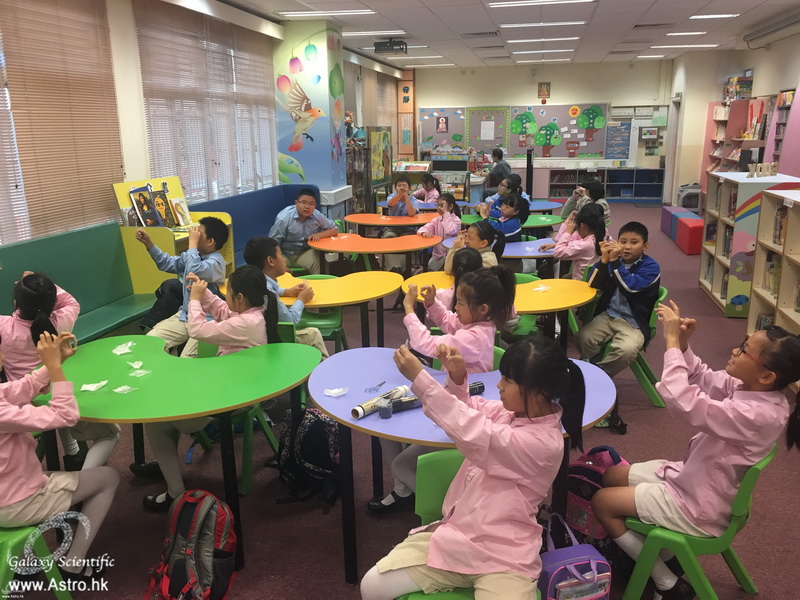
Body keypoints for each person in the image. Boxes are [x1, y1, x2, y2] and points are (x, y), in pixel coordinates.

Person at [592, 303, 800, 600]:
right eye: (741, 343)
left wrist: (671, 342)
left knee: (602, 502)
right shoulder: (754, 389)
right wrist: (684, 345)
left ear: (767, 376)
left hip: (698, 505)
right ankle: (664, 556)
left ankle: (667, 582)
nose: (735, 350)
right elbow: (702, 376)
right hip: (695, 479)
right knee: (612, 475)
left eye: (744, 350)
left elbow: (682, 400)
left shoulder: (757, 415)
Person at [360, 337, 586, 599]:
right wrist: (457, 379)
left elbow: (473, 430)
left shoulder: (544, 444)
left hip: (505, 556)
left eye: (507, 380)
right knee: (373, 586)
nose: (499, 386)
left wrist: (421, 379)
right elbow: (465, 409)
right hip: (459, 538)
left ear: (538, 393)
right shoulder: (511, 414)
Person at [368, 266, 516, 515]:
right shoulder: (476, 324)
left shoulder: (475, 337)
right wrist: (432, 303)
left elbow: (424, 343)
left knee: (397, 454)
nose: (455, 307)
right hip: (454, 397)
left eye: (460, 303)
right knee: (387, 427)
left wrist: (408, 309)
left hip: (461, 410)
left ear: (482, 309)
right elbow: (451, 322)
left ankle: (447, 512)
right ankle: (404, 491)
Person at [141, 265, 279, 511]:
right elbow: (223, 310)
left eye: (229, 292)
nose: (225, 296)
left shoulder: (248, 322)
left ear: (240, 297)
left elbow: (196, 330)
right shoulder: (252, 313)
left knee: (157, 417)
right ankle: (167, 468)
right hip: (226, 389)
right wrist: (202, 292)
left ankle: (174, 489)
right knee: (160, 412)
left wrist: (194, 300)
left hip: (230, 400)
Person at [0, 332, 119, 583]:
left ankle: (20, 561)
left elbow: (20, 388)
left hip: (8, 489)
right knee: (108, 478)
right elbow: (66, 416)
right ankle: (73, 564)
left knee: (57, 476)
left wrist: (57, 360)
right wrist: (54, 368)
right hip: (14, 503)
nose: (3, 355)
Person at [0, 272, 118, 471]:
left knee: (56, 410)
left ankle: (72, 453)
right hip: (59, 389)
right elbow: (71, 302)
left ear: (15, 303)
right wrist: (42, 286)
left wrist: (27, 289)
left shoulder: (3, 327)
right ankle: (75, 458)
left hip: (21, 401)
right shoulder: (62, 320)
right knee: (109, 432)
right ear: (52, 303)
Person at [574, 221, 660, 432]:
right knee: (583, 337)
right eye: (623, 241)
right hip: (609, 315)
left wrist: (614, 263)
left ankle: (595, 376)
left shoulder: (651, 267)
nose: (627, 247)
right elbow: (592, 283)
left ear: (645, 246)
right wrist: (604, 260)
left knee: (626, 350)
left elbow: (630, 287)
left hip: (634, 322)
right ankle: (593, 372)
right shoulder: (615, 261)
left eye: (634, 242)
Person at [136, 216, 228, 358]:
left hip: (207, 321)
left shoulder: (216, 263)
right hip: (186, 316)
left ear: (210, 241)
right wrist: (149, 244)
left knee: (186, 359)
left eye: (198, 234)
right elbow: (166, 263)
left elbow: (194, 270)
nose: (193, 235)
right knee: (151, 342)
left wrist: (192, 244)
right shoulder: (194, 256)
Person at [243, 236, 329, 359]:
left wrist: (286, 291)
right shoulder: (270, 295)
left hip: (256, 338)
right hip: (275, 342)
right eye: (281, 254)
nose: (284, 259)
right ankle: (324, 370)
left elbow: (270, 289)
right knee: (313, 334)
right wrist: (301, 300)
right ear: (270, 261)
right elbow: (290, 321)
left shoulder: (252, 281)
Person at [268, 188, 338, 275]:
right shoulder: (284, 218)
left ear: (315, 205)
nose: (307, 207)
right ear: (296, 203)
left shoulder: (316, 215)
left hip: (304, 252)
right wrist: (280, 263)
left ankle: (321, 283)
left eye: (311, 204)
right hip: (284, 254)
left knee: (320, 264)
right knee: (270, 265)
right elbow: (272, 243)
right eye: (304, 203)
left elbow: (334, 229)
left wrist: (319, 235)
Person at [540, 203, 606, 280]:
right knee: (564, 277)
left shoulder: (584, 245)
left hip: (580, 282)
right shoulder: (598, 237)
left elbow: (558, 253)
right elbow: (574, 244)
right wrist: (554, 245)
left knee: (558, 281)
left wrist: (568, 232)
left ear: (582, 226)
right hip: (591, 279)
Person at [383, 175, 420, 273]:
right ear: (395, 188)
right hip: (392, 228)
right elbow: (391, 203)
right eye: (399, 185)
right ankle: (395, 268)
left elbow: (411, 213)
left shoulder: (413, 199)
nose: (402, 188)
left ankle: (404, 269)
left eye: (404, 186)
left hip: (408, 229)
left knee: (406, 241)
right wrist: (400, 195)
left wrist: (406, 196)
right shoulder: (391, 196)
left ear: (410, 188)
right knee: (388, 238)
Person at [417, 193, 461, 271]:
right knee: (429, 271)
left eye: (441, 205)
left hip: (451, 256)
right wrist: (424, 232)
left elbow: (450, 231)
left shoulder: (456, 220)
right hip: (437, 256)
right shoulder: (437, 220)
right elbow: (423, 228)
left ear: (450, 207)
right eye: (437, 205)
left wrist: (446, 213)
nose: (438, 208)